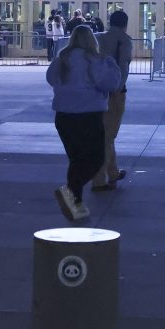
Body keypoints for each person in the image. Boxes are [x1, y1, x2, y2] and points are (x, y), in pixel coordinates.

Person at [47, 24, 121, 222]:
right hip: (88, 116)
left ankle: (76, 204)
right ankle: (70, 192)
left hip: (63, 116)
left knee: (76, 160)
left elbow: (50, 78)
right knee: (95, 159)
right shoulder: (96, 60)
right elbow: (110, 83)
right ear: (92, 40)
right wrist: (112, 65)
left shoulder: (62, 59)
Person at [93, 10, 134, 192]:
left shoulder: (100, 38)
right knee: (108, 136)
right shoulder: (124, 40)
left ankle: (113, 172)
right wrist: (117, 88)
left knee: (105, 134)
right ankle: (99, 179)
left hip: (97, 92)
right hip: (115, 92)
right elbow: (123, 66)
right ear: (125, 23)